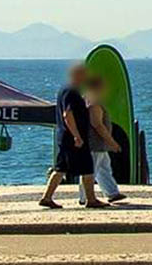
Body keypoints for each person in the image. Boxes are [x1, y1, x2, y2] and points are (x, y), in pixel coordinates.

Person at [39, 63, 104, 209]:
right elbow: (67, 115)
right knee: (87, 167)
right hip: (73, 138)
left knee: (61, 168)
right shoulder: (72, 92)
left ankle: (47, 197)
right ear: (77, 75)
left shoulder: (65, 90)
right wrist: (77, 136)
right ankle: (91, 199)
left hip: (64, 136)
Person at [79, 74, 125, 204]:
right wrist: (112, 142)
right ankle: (84, 197)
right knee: (90, 170)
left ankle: (112, 192)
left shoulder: (85, 100)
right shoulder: (94, 103)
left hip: (98, 144)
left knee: (104, 168)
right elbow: (97, 124)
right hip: (95, 143)